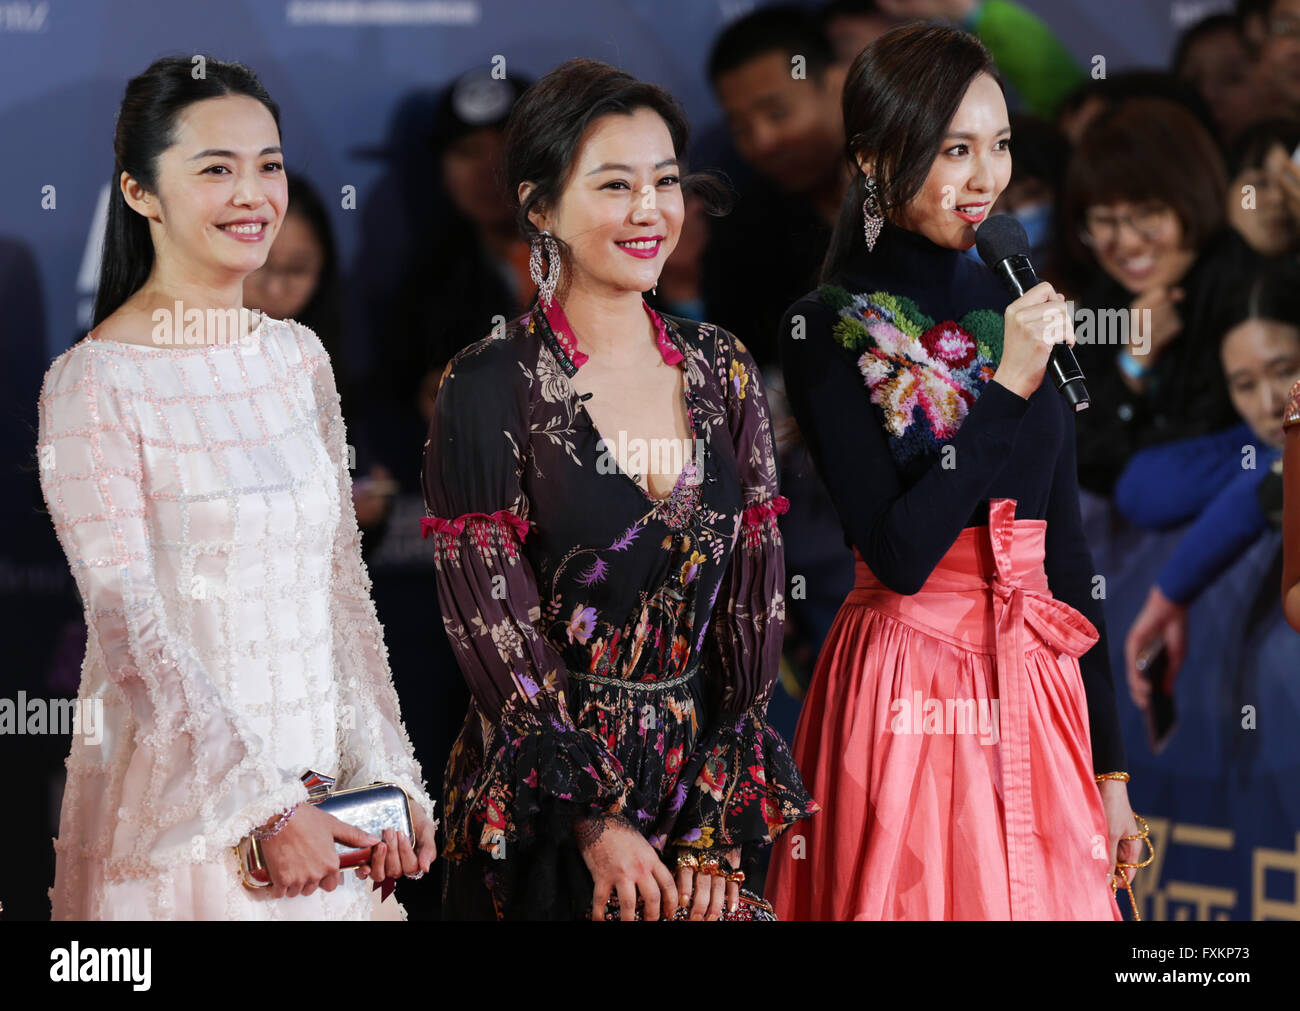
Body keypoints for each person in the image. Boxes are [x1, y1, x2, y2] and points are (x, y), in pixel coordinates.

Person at [37, 56, 436, 920]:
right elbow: (129, 621)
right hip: (190, 820)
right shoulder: (94, 381)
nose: (253, 193)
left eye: (269, 164)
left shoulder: (298, 359)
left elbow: (341, 595)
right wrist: (263, 808)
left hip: (327, 821)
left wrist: (390, 773)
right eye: (216, 168)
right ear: (142, 193)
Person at [420, 57, 817, 921]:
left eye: (666, 181)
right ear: (539, 208)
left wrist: (718, 814)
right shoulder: (490, 382)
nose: (650, 210)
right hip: (543, 802)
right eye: (613, 184)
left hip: (695, 800)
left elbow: (753, 595)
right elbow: (491, 621)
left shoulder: (724, 368)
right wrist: (594, 821)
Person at [764, 23, 1140, 920]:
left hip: (1039, 687)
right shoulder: (829, 325)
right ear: (872, 157)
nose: (986, 178)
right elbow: (899, 552)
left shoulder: (1016, 302)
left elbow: (1068, 552)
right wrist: (1009, 383)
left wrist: (1112, 772)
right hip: (907, 689)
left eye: (999, 146)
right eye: (954, 150)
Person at [1120, 263, 1300, 707]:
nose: (1269, 402)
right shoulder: (1252, 446)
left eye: (1285, 370)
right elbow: (1139, 491)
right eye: (1244, 385)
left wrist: (1169, 596)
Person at [1061, 98, 1257, 496]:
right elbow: (1075, 452)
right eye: (1104, 220)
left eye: (1148, 213)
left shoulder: (1246, 284)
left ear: (1195, 199)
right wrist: (1134, 365)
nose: (1128, 242)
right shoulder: (1101, 301)